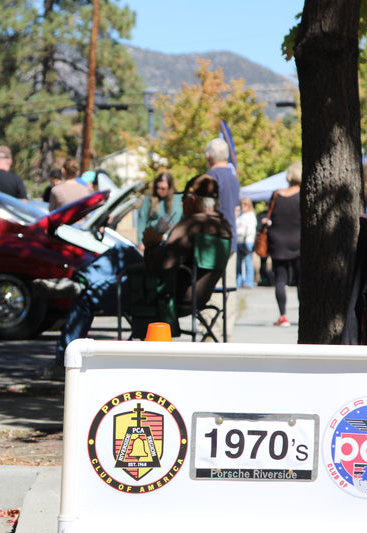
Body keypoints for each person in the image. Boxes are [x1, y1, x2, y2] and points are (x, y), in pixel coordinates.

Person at [37, 174, 231, 378]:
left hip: (163, 294)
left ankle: (63, 364)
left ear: (192, 201)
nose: (181, 203)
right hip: (190, 294)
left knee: (87, 296)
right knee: (122, 250)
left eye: (183, 199)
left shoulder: (191, 224)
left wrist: (151, 242)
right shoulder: (222, 225)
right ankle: (79, 280)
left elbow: (160, 265)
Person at [204, 137, 241, 338]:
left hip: (212, 243)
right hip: (231, 241)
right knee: (230, 289)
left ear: (208, 157)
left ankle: (211, 333)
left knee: (211, 290)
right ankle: (226, 332)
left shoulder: (209, 178)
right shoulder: (233, 179)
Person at [268, 161, 302, 327]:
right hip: (298, 242)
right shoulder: (303, 196)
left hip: (278, 242)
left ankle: (283, 316)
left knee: (280, 280)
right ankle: (304, 313)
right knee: (301, 281)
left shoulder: (277, 195)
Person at [136, 172, 182, 252]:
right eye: (157, 187)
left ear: (170, 187)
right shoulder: (150, 199)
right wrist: (140, 242)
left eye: (163, 188)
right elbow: (142, 220)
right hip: (154, 240)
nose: (159, 191)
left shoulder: (179, 198)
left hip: (174, 241)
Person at [236, 197, 257, 288]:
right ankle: (238, 281)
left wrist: (245, 238)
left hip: (247, 241)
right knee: (238, 263)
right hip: (239, 240)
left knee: (248, 261)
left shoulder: (251, 215)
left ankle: (248, 281)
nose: (242, 206)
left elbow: (250, 230)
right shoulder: (240, 215)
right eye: (241, 204)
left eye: (245, 204)